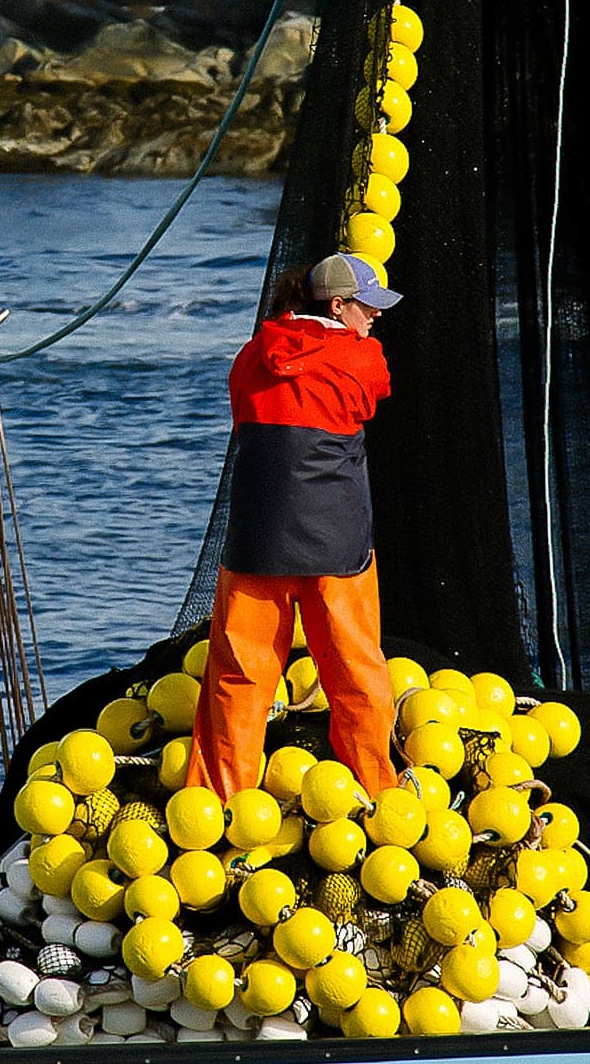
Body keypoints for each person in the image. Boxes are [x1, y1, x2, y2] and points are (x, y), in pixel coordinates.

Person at [186, 252, 401, 803]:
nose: (375, 317)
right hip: (337, 544)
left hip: (256, 541)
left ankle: (216, 803)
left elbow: (242, 404)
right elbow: (374, 394)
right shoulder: (362, 359)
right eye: (368, 306)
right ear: (337, 305)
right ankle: (375, 792)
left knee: (237, 677)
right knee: (354, 672)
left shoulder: (254, 353)